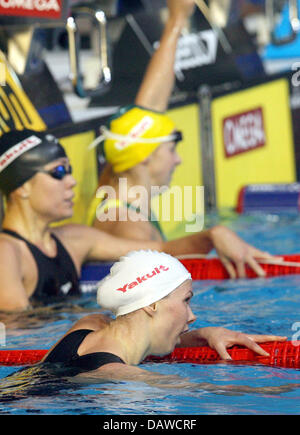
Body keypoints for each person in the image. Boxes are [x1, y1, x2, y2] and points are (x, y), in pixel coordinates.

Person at [88, 0, 276, 279]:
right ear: (144, 156)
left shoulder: (121, 192)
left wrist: (177, 19)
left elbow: (150, 108)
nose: (178, 159)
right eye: (171, 149)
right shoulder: (129, 224)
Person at [0, 129, 196, 313]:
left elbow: (159, 250)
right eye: (59, 171)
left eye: (70, 170)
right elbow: (18, 335)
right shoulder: (6, 253)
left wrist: (212, 236)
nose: (72, 181)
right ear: (21, 186)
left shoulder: (74, 239)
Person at [41, 250, 286, 388]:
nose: (192, 316)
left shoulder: (90, 325)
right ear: (151, 304)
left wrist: (203, 335)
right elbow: (218, 391)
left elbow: (139, 333)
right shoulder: (120, 376)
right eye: (186, 301)